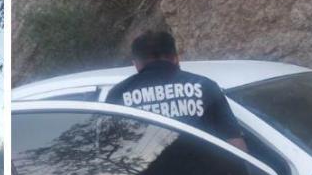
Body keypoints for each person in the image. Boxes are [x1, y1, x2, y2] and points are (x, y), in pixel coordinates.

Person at [106, 29, 248, 152]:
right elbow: (236, 144)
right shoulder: (205, 86)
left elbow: (110, 149)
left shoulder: (117, 95)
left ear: (136, 64)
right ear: (175, 58)